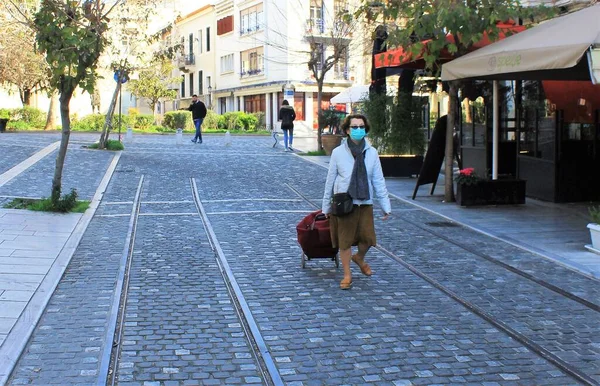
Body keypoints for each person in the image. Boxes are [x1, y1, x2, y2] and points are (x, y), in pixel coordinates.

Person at [321, 114, 391, 290]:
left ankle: (359, 257)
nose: (358, 130)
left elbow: (378, 179)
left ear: (365, 129)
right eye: (354, 127)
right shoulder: (338, 152)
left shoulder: (372, 153)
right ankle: (347, 274)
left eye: (361, 127)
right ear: (347, 130)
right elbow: (330, 180)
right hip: (344, 202)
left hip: (365, 201)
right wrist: (326, 206)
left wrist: (385, 205)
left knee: (368, 239)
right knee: (344, 241)